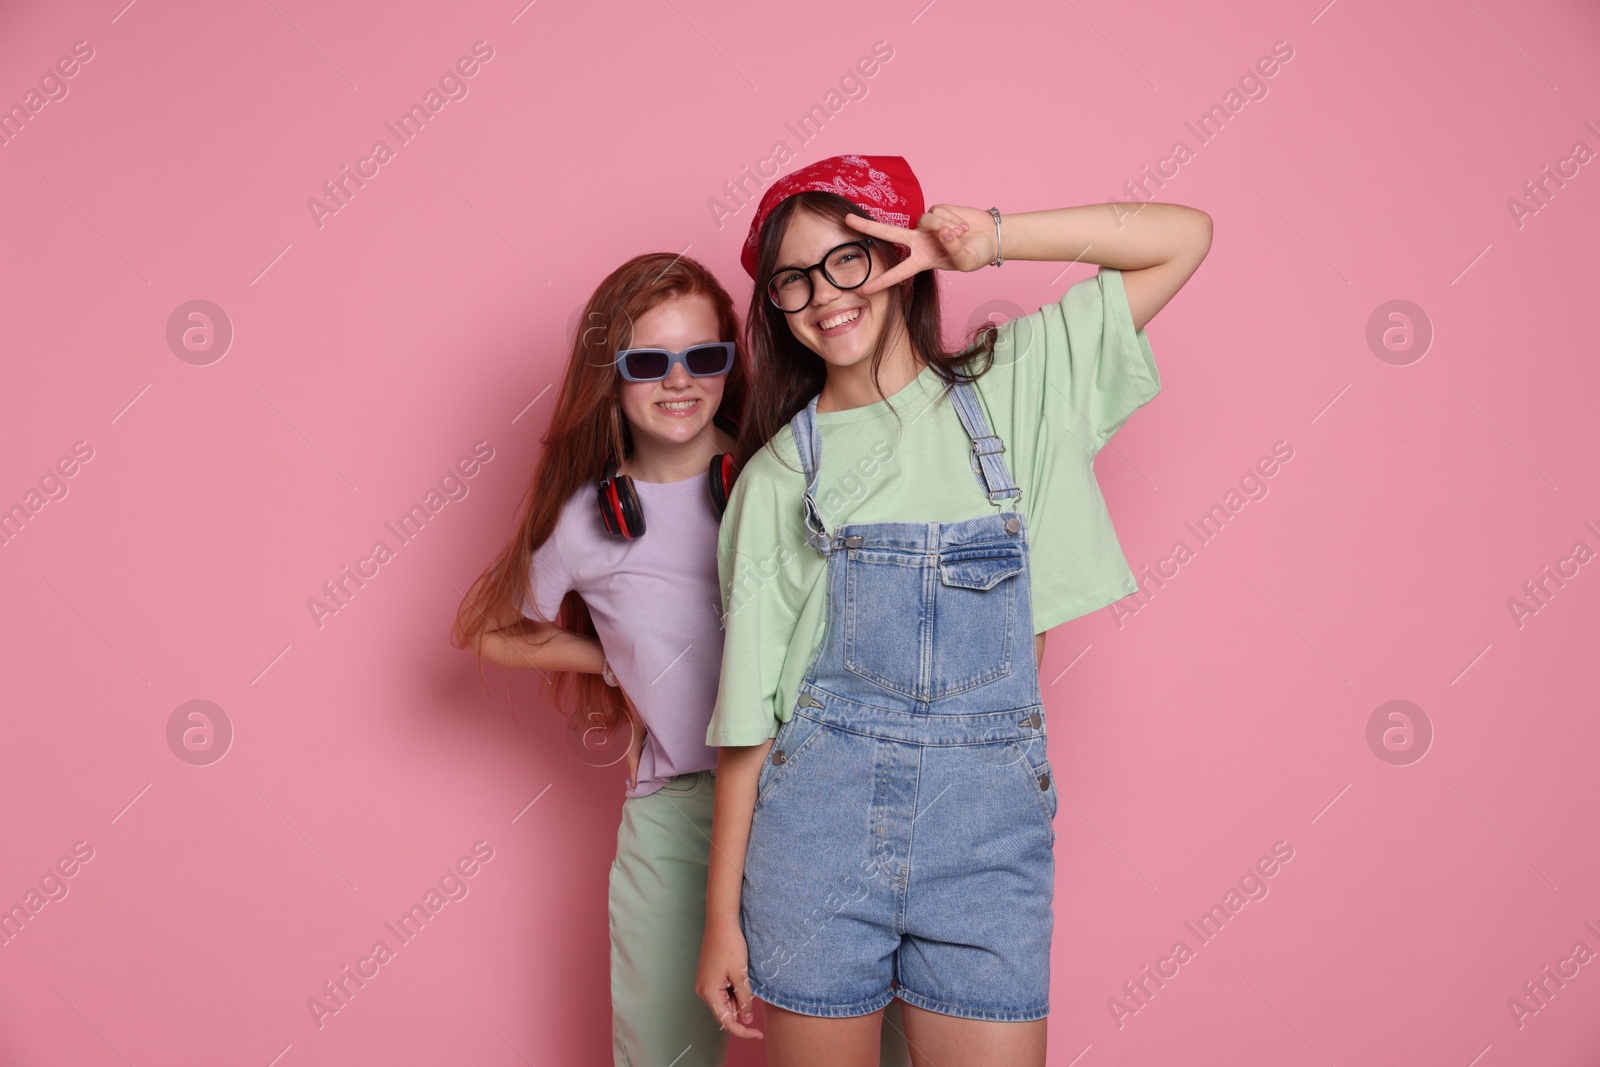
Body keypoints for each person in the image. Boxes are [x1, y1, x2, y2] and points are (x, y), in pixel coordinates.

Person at [696, 155, 1212, 1066]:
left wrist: (990, 239)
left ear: (897, 258)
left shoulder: (1018, 384)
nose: (824, 295)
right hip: (815, 841)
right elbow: (747, 723)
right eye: (793, 280)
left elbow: (1182, 238)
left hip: (987, 845)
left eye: (849, 259)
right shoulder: (780, 477)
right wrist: (718, 925)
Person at [452, 252, 752, 1067]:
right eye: (649, 361)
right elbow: (486, 628)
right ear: (611, 375)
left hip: (808, 797)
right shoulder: (592, 521)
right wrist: (611, 658)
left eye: (704, 356)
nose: (679, 381)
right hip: (680, 816)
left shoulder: (779, 473)